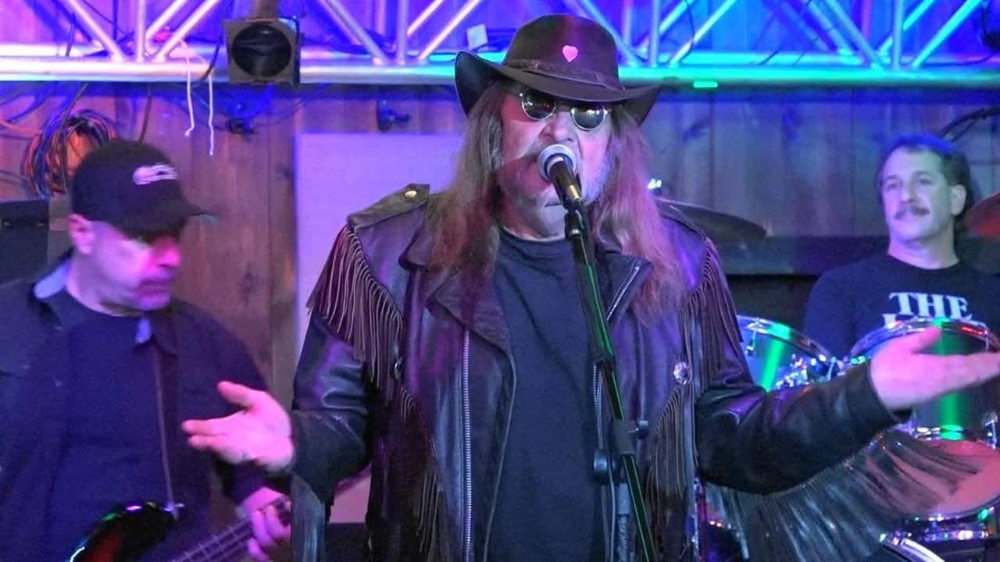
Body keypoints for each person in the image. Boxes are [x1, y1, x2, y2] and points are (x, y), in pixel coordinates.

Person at [183, 16, 1000, 562]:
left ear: (613, 143)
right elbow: (340, 426)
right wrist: (294, 445)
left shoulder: (681, 265)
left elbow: (732, 440)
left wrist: (866, 394)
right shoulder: (386, 254)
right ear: (493, 121)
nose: (559, 131)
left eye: (587, 116)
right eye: (536, 104)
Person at [0, 140, 290, 562]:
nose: (171, 258)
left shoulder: (206, 345)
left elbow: (258, 482)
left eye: (175, 234)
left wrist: (270, 506)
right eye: (144, 236)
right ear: (82, 233)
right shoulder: (8, 322)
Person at [803, 134, 1000, 358]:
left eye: (923, 182)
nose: (905, 196)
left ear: (956, 199)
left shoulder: (994, 294)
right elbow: (825, 380)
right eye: (892, 186)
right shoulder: (840, 289)